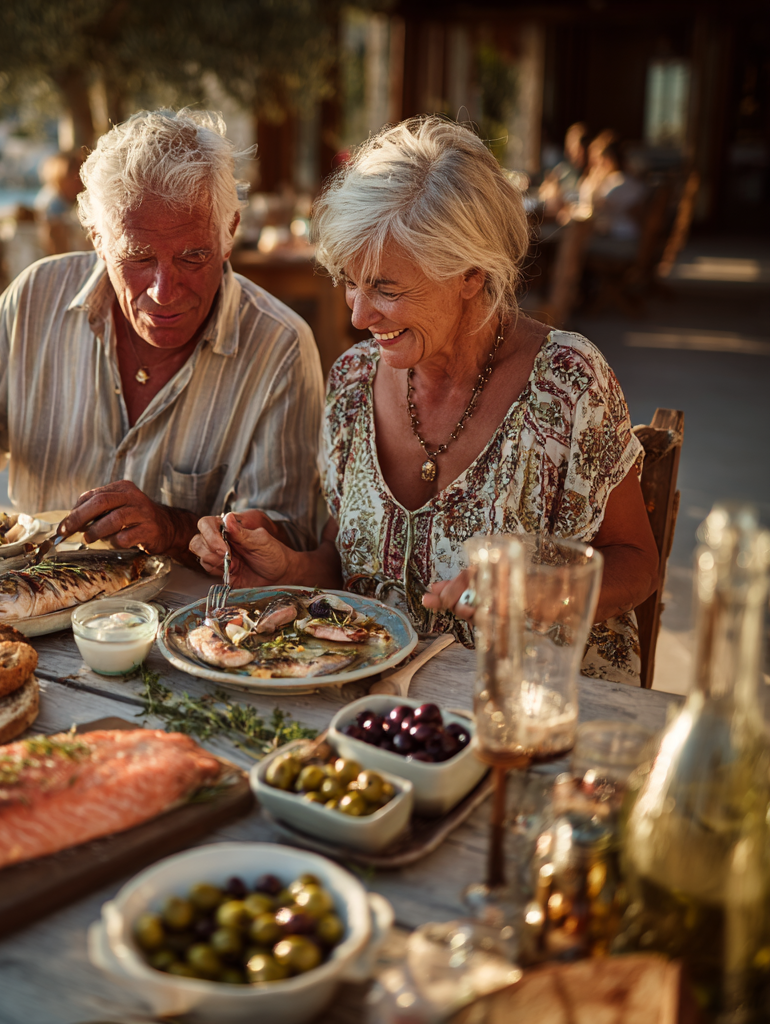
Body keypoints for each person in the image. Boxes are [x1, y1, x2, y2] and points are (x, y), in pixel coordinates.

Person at [191, 117, 659, 685]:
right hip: (380, 709)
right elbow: (348, 565)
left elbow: (638, 562)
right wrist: (286, 567)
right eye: (350, 280)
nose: (358, 316)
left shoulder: (567, 383)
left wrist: (538, 593)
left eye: (386, 289)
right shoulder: (352, 382)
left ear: (470, 273)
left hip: (539, 706)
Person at [0, 109, 324, 563]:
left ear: (230, 233)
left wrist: (173, 527)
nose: (163, 291)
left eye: (193, 257)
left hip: (182, 626)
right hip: (30, 604)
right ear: (97, 239)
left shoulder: (280, 346)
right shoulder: (35, 297)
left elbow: (293, 536)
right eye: (139, 257)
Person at [34, 151, 90, 256]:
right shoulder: (52, 205)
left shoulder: (66, 200)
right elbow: (56, 248)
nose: (80, 182)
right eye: (74, 177)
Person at [538, 122, 588, 217]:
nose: (570, 149)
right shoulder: (561, 171)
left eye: (574, 145)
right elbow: (545, 196)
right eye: (569, 144)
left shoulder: (592, 174)